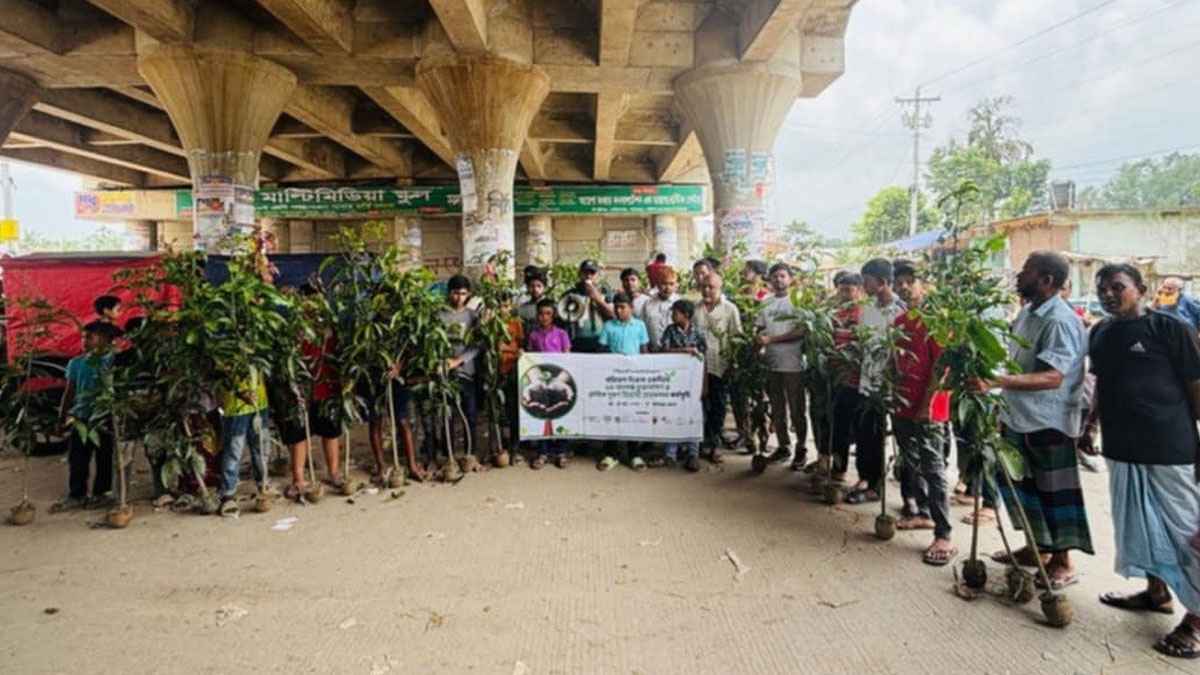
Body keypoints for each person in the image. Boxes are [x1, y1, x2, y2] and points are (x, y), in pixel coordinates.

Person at [1088, 263, 1200, 659]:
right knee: (1139, 523)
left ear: (1141, 288)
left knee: (1186, 532)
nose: (1108, 294)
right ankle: (1156, 593)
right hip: (1121, 447)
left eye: (1117, 286)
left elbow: (1195, 387)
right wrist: (1090, 425)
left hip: (1170, 447)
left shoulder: (1171, 330)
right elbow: (1102, 382)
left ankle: (1197, 620)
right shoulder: (1100, 333)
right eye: (1101, 288)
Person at [975, 251, 1093, 589]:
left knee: (1055, 492)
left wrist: (997, 382)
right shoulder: (1029, 313)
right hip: (1020, 417)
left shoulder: (1060, 320)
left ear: (1046, 280)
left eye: (1026, 271)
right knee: (1024, 488)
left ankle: (1063, 560)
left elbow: (1052, 377)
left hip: (1049, 421)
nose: (1018, 275)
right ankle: (1036, 546)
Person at [890, 260, 955, 565]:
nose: (903, 287)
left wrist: (927, 406)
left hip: (930, 406)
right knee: (910, 460)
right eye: (899, 282)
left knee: (933, 465)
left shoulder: (938, 322)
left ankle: (944, 534)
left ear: (924, 285)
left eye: (909, 281)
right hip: (903, 403)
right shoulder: (900, 322)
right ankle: (922, 513)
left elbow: (943, 369)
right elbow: (895, 362)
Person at [846, 259, 905, 504]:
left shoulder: (901, 312)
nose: (864, 284)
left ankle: (880, 487)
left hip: (890, 386)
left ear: (882, 283)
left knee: (884, 436)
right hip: (867, 381)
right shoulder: (867, 308)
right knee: (866, 434)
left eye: (867, 280)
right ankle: (867, 479)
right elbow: (862, 342)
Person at [54, 321, 120, 511]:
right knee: (77, 458)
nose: (84, 341)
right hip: (80, 417)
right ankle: (77, 494)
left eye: (89, 337)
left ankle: (101, 493)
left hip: (104, 416)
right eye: (83, 337)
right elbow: (69, 392)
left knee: (104, 456)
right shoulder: (76, 363)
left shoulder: (111, 361)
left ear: (105, 340)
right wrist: (62, 417)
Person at [755, 263, 808, 468]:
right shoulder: (765, 303)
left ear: (790, 278)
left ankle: (801, 448)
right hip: (772, 363)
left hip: (793, 364)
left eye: (782, 276)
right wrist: (758, 342)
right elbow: (760, 329)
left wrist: (773, 340)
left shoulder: (798, 301)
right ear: (769, 280)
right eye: (775, 277)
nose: (778, 280)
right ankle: (783, 446)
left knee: (797, 409)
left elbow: (802, 331)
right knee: (777, 409)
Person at [596, 292, 650, 472]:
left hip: (633, 379)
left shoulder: (640, 325)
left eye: (622, 307)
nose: (618, 311)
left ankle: (634, 454)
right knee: (611, 414)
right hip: (613, 378)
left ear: (631, 308)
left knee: (633, 414)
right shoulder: (608, 326)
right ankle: (611, 454)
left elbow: (644, 350)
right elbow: (602, 350)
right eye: (616, 307)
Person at [694, 273, 742, 464]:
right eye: (704, 286)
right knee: (700, 405)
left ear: (720, 288)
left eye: (711, 287)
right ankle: (700, 443)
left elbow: (737, 337)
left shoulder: (730, 309)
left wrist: (733, 363)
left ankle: (714, 445)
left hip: (720, 366)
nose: (706, 290)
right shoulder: (695, 308)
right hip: (697, 367)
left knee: (719, 406)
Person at [658, 299, 708, 472]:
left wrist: (704, 384)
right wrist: (684, 351)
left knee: (693, 414)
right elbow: (662, 352)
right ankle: (670, 453)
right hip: (673, 381)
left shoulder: (699, 333)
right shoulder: (669, 331)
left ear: (686, 315)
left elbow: (704, 359)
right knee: (672, 414)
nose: (672, 315)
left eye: (675, 312)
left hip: (693, 381)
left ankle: (693, 454)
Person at [217, 366, 272, 517]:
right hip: (236, 407)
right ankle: (228, 494)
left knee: (261, 447)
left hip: (259, 403)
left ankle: (263, 485)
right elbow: (222, 370)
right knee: (234, 450)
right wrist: (241, 392)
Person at [525, 298, 571, 469]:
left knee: (561, 413)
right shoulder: (534, 335)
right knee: (542, 414)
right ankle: (542, 452)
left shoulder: (561, 334)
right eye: (541, 313)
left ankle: (561, 451)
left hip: (558, 381)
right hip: (541, 383)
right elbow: (530, 356)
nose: (544, 317)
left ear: (554, 315)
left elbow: (568, 357)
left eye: (548, 314)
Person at [442, 274, 483, 466]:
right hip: (444, 372)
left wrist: (458, 360)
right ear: (449, 293)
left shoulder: (472, 316)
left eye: (463, 294)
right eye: (456, 293)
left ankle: (470, 454)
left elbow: (477, 345)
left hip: (467, 371)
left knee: (470, 414)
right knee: (447, 415)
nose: (459, 298)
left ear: (469, 294)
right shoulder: (439, 314)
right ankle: (448, 455)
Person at [563, 259, 613, 353]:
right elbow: (563, 317)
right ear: (579, 274)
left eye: (592, 273)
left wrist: (597, 298)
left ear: (597, 275)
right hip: (577, 341)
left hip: (601, 341)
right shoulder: (570, 294)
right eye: (585, 272)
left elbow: (612, 315)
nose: (588, 276)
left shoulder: (605, 292)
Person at [498, 291, 525, 461]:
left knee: (513, 409)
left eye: (507, 306)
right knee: (499, 412)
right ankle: (500, 445)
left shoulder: (516, 324)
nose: (503, 309)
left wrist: (510, 351)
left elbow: (521, 347)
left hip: (512, 370)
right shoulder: (490, 324)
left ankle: (515, 446)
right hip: (495, 371)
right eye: (500, 306)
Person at [642, 267, 681, 352]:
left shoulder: (680, 303)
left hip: (676, 352)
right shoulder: (648, 304)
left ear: (676, 285)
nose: (667, 288)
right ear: (657, 284)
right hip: (653, 352)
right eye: (664, 283)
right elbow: (643, 328)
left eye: (671, 284)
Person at [517, 267, 549, 335]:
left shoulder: (552, 306)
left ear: (544, 288)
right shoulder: (522, 309)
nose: (535, 289)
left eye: (539, 286)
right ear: (527, 288)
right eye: (532, 286)